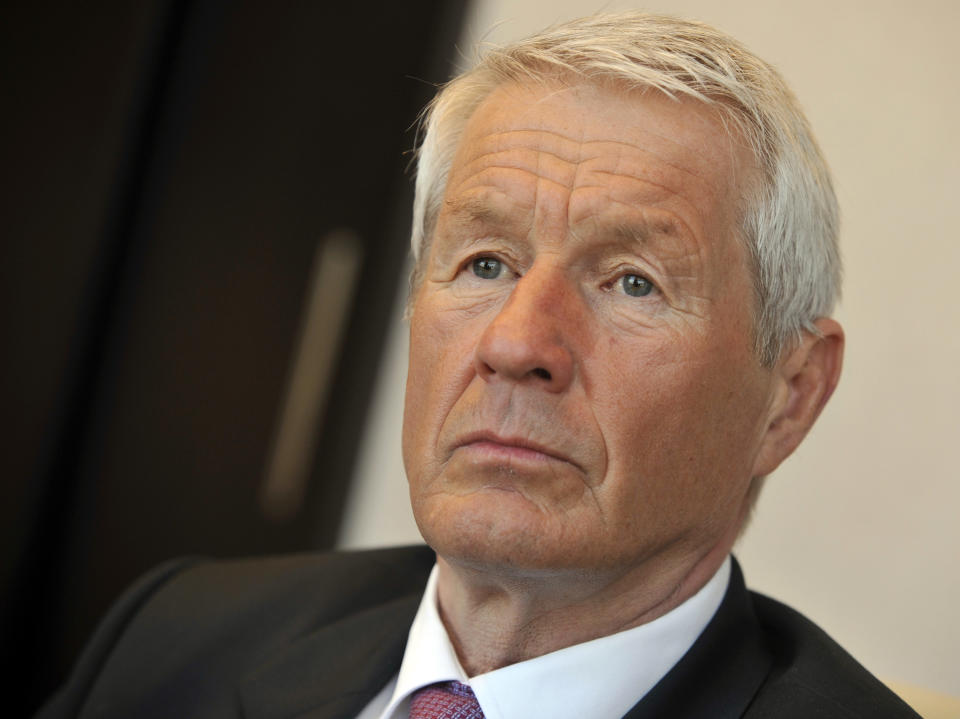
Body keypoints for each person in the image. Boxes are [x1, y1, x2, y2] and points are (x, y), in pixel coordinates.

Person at [39, 12, 919, 719]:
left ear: (789, 396)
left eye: (632, 283)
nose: (514, 344)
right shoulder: (179, 637)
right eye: (486, 263)